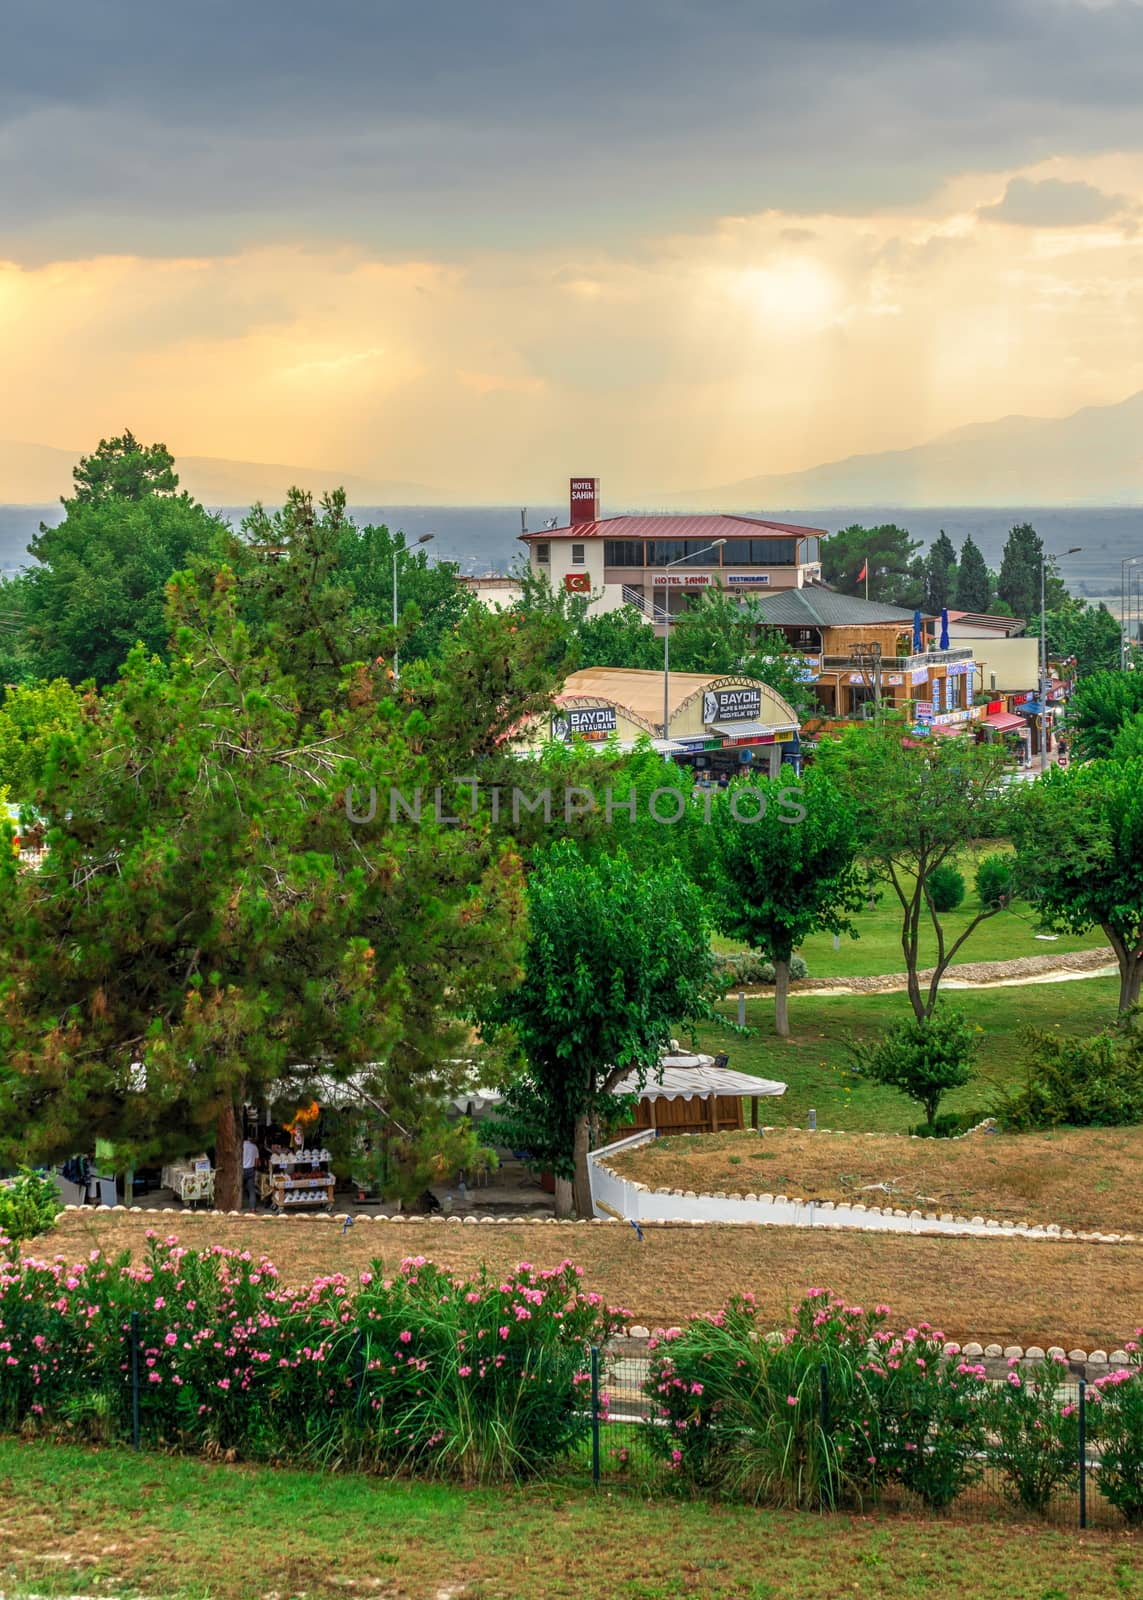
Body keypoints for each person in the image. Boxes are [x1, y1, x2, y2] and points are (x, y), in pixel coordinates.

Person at [242, 1135, 260, 1211]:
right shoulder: (254, 1147)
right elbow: (256, 1162)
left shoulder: (240, 1146)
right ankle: (252, 1209)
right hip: (250, 1170)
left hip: (241, 1170)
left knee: (237, 1188)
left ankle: (235, 1208)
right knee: (251, 1190)